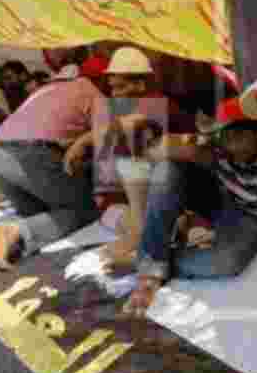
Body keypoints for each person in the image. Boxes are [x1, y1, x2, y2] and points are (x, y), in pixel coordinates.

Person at [121, 98, 257, 316]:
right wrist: (186, 150)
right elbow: (157, 151)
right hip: (223, 198)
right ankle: (150, 269)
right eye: (226, 137)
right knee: (167, 169)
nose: (232, 146)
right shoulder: (213, 143)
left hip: (256, 218)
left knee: (227, 262)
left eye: (240, 136)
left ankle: (154, 259)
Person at [0, 59, 103, 276]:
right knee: (84, 210)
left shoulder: (45, 90)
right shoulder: (93, 93)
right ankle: (18, 232)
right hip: (31, 154)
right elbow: (107, 150)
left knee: (42, 214)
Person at [63, 47, 195, 268]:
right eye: (112, 87)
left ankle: (142, 238)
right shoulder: (134, 106)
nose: (114, 93)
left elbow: (125, 127)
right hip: (169, 182)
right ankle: (147, 230)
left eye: (120, 87)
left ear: (141, 84)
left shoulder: (154, 100)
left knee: (129, 145)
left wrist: (82, 141)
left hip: (190, 179)